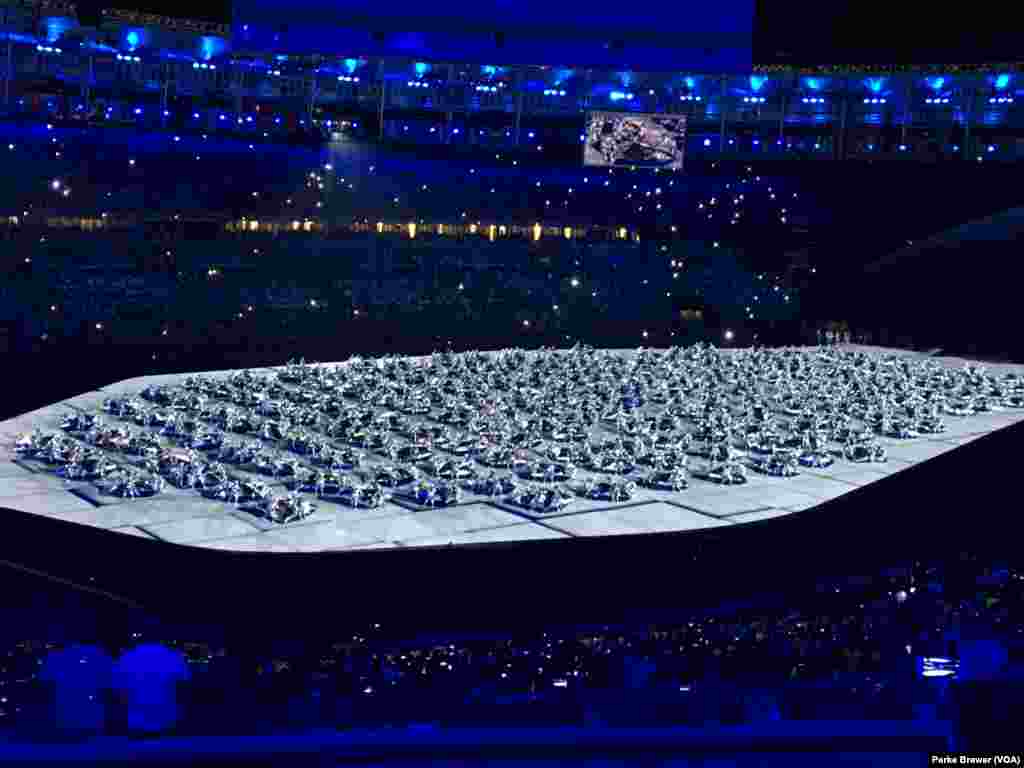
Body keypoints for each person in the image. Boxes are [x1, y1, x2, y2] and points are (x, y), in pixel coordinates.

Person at [111, 642, 191, 738]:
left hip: (136, 721)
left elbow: (119, 691)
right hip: (167, 721)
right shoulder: (173, 656)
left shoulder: (127, 657)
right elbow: (183, 688)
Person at [38, 643, 114, 740]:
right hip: (86, 716)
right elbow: (110, 682)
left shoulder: (56, 656)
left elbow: (45, 682)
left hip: (68, 716)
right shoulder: (98, 655)